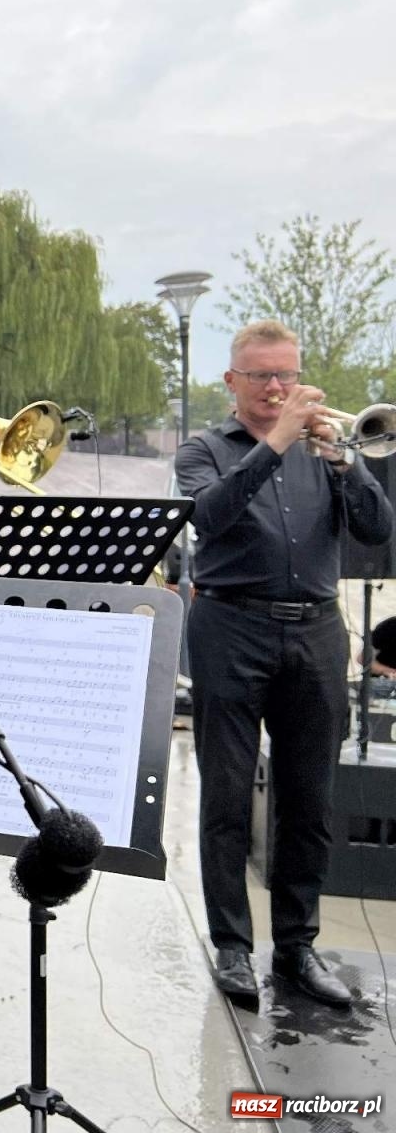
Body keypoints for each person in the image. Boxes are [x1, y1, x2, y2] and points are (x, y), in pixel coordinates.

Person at [176, 319, 393, 1008]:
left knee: (309, 800)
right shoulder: (203, 448)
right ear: (231, 381)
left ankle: (297, 947)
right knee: (229, 798)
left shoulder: (328, 447)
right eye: (262, 375)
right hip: (230, 627)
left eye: (287, 375)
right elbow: (208, 516)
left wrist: (348, 465)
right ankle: (234, 948)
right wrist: (274, 442)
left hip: (317, 632)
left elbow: (377, 528)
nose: (277, 388)